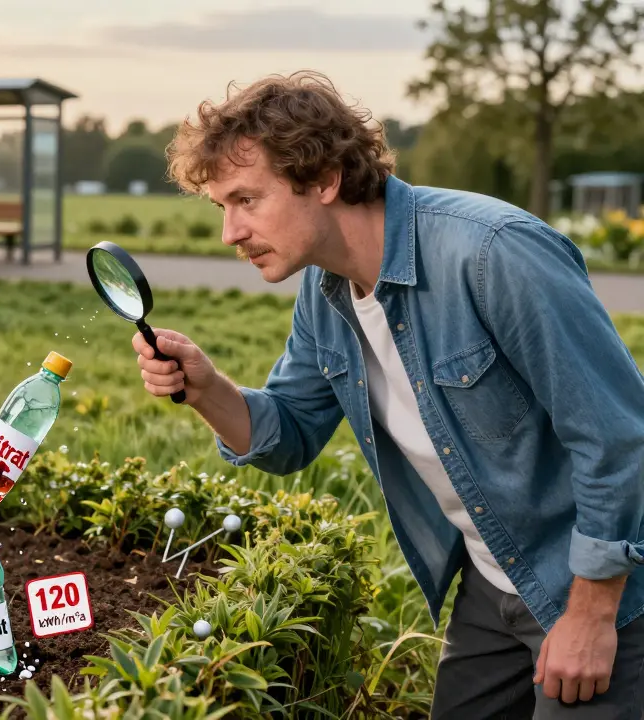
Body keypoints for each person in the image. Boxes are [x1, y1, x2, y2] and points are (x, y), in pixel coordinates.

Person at [134, 70, 644, 717]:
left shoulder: (491, 253)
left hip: (606, 587)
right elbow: (288, 435)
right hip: (495, 581)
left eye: (246, 200)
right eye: (221, 208)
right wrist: (206, 386)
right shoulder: (326, 298)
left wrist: (592, 614)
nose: (230, 233)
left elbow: (619, 433)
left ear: (323, 179)